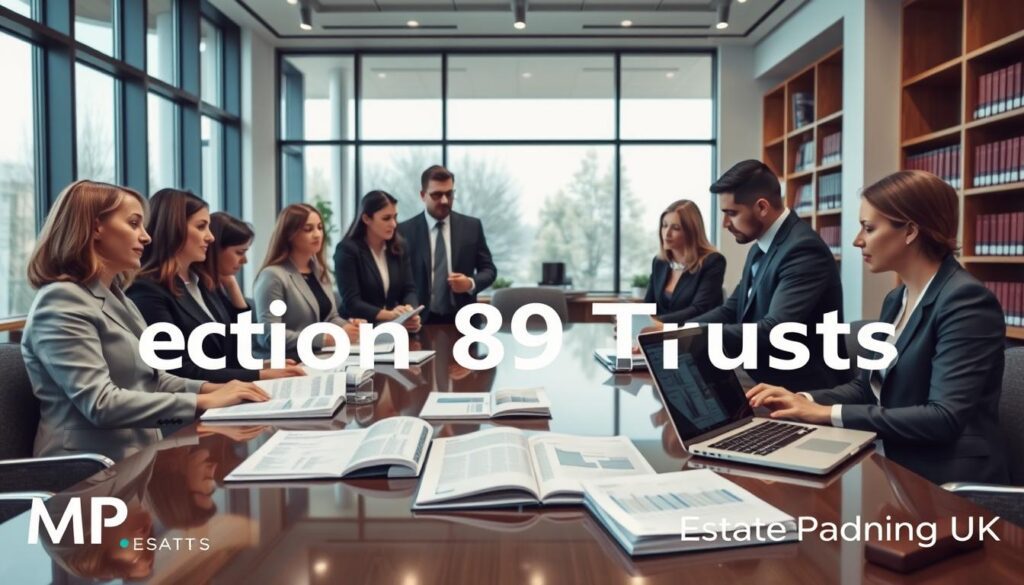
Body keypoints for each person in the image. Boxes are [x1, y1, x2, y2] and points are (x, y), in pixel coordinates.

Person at [746, 170, 1008, 485]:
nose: (858, 241)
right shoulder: (896, 299)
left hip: (946, 478)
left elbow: (944, 418)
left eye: (868, 228)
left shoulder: (966, 302)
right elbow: (868, 388)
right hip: (891, 459)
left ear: (910, 231)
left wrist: (824, 414)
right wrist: (801, 400)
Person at [21, 180, 268, 459]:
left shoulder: (117, 297)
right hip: (86, 470)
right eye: (134, 223)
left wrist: (220, 388)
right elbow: (101, 404)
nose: (146, 237)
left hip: (138, 455)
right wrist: (202, 400)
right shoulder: (60, 301)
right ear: (95, 227)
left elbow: (154, 378)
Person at [652, 160, 851, 392]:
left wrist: (689, 335)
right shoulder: (761, 247)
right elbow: (731, 310)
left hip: (802, 389)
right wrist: (682, 331)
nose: (725, 223)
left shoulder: (803, 249)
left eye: (731, 214)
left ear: (762, 207)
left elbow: (775, 330)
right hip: (761, 377)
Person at [127, 190, 304, 382]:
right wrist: (258, 374)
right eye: (201, 226)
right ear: (174, 229)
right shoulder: (147, 290)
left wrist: (260, 365)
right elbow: (177, 370)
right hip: (197, 405)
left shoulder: (201, 283)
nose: (210, 237)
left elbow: (235, 354)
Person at [254, 203, 361, 356]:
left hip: (321, 356)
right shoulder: (273, 276)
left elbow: (330, 317)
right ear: (289, 235)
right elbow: (269, 336)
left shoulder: (319, 270)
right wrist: (322, 339)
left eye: (319, 227)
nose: (317, 234)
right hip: (290, 361)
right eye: (308, 229)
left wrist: (347, 327)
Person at [398, 165, 497, 324]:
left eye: (449, 194)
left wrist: (470, 283)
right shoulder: (404, 231)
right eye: (437, 195)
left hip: (465, 323)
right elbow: (398, 280)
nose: (444, 200)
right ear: (423, 195)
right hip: (418, 321)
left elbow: (489, 270)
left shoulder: (471, 226)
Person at [334, 190, 422, 331]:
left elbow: (409, 289)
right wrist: (392, 316)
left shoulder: (399, 247)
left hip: (391, 330)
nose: (393, 224)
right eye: (386, 218)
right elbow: (352, 302)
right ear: (366, 219)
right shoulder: (347, 250)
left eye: (395, 217)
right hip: (358, 330)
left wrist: (410, 312)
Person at [644, 199, 726, 324]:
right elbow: (649, 306)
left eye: (676, 228)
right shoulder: (659, 262)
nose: (667, 234)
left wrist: (657, 323)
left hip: (695, 338)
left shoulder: (713, 262)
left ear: (691, 232)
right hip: (659, 336)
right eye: (664, 226)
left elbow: (699, 309)